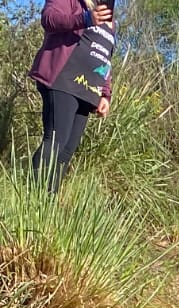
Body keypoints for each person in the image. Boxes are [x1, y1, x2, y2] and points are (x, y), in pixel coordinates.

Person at [28, 0, 114, 193]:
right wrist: (85, 18)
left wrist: (105, 94)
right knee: (55, 141)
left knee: (67, 150)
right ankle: (33, 197)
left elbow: (105, 55)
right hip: (63, 80)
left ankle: (48, 199)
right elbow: (49, 19)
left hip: (88, 90)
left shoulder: (108, 15)